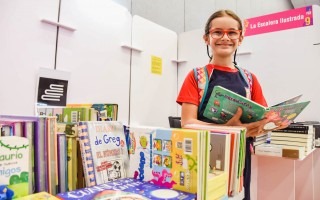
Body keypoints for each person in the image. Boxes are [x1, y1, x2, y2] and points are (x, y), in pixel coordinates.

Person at [176, 10, 270, 200]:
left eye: (232, 32)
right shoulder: (196, 77)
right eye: (218, 32)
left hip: (240, 159)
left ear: (240, 38)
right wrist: (227, 129)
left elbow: (264, 119)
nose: (225, 37)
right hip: (204, 156)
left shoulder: (250, 79)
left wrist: (275, 122)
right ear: (206, 38)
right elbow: (187, 123)